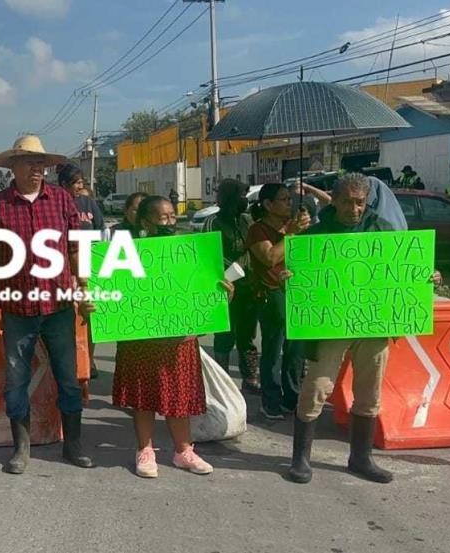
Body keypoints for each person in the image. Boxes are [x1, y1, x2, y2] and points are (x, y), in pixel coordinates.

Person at [286, 173, 441, 485]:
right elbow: (294, 276)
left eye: (360, 203)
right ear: (334, 198)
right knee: (317, 387)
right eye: (347, 202)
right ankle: (300, 458)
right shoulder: (313, 235)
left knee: (369, 392)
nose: (354, 209)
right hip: (328, 327)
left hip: (373, 326)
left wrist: (429, 277)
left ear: (367, 201)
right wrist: (288, 276)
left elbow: (404, 271)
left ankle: (360, 458)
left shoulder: (384, 231)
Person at [0, 134, 95, 475]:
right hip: (17, 309)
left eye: (42, 164)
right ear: (12, 167)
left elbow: (76, 246)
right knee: (16, 381)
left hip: (59, 306)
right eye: (30, 163)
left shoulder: (61, 199)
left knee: (69, 379)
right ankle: (21, 447)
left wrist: (83, 286)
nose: (37, 170)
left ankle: (72, 445)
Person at [114, 195, 232, 478]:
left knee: (179, 396)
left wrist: (223, 294)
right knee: (143, 396)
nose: (168, 222)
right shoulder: (125, 253)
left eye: (171, 217)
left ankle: (183, 451)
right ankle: (145, 450)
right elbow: (112, 291)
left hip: (180, 338)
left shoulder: (190, 251)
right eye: (161, 217)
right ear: (144, 222)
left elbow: (209, 283)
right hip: (141, 339)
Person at [246, 183, 310, 421]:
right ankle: (270, 401)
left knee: (296, 350)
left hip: (298, 291)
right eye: (283, 199)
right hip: (271, 293)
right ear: (268, 205)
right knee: (273, 348)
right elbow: (269, 257)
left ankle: (291, 398)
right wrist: (291, 234)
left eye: (289, 199)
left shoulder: (294, 225)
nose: (289, 203)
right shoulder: (258, 230)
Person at [203, 179, 259, 393]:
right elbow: (210, 252)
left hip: (249, 287)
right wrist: (236, 266)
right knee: (225, 335)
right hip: (225, 285)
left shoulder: (247, 220)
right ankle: (222, 380)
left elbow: (255, 246)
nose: (244, 199)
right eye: (240, 195)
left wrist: (247, 264)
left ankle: (250, 378)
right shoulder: (213, 221)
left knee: (247, 335)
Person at [57, 163, 104, 378]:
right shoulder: (55, 204)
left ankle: (89, 362)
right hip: (63, 271)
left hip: (89, 268)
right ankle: (68, 363)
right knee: (67, 319)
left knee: (90, 316)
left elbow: (101, 231)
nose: (80, 186)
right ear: (64, 185)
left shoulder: (88, 203)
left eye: (81, 182)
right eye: (76, 183)